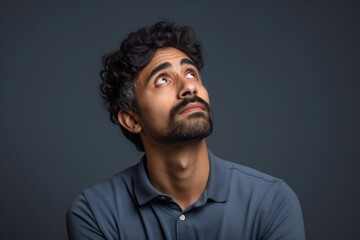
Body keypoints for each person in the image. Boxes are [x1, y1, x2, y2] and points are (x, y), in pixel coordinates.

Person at [66, 21, 305, 240]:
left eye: (191, 73)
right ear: (131, 119)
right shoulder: (95, 212)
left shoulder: (271, 202)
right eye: (162, 80)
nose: (189, 86)